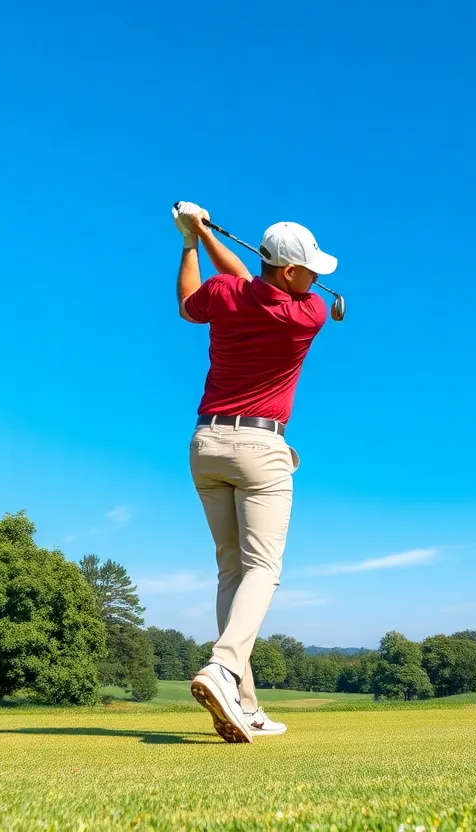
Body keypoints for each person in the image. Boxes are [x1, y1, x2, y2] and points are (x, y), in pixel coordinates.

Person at [171, 201, 337, 743]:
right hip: (261, 446)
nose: (317, 278)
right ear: (290, 273)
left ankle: (244, 705)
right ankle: (222, 667)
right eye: (311, 269)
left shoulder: (226, 296)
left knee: (231, 572)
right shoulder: (307, 312)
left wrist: (192, 240)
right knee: (263, 568)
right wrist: (204, 234)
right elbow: (248, 279)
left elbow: (194, 300)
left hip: (206, 443)